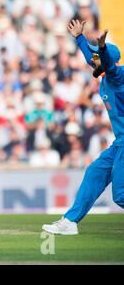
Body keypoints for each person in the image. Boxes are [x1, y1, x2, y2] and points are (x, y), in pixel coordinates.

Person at [43, 23, 124, 235]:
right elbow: (95, 61)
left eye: (97, 57)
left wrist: (103, 49)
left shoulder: (117, 76)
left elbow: (108, 63)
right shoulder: (105, 76)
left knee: (121, 195)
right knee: (94, 173)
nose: (92, 60)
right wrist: (80, 37)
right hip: (120, 142)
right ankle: (70, 221)